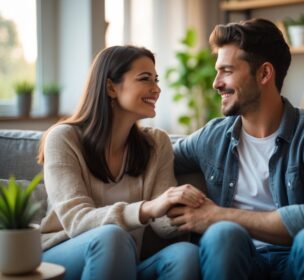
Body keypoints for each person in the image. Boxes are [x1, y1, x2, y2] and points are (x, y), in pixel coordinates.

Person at [169, 18, 304, 280]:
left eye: (227, 71)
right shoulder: (213, 136)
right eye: (217, 71)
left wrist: (217, 215)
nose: (216, 83)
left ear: (265, 73)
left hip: (298, 258)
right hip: (237, 257)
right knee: (223, 234)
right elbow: (156, 154)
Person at [37, 45, 205, 280]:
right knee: (112, 237)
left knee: (185, 253)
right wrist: (147, 208)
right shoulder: (64, 138)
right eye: (145, 79)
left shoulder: (157, 144)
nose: (156, 89)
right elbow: (76, 221)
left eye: (156, 80)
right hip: (64, 255)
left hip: (128, 259)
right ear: (111, 87)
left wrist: (189, 209)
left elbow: (162, 225)